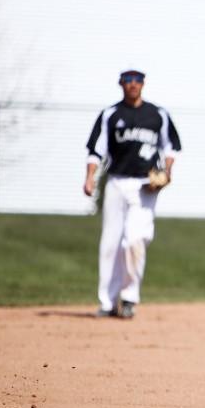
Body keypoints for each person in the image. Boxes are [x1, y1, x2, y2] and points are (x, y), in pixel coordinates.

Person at [83, 68, 182, 319]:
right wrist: (89, 178)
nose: (133, 84)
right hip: (116, 182)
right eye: (128, 81)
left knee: (135, 241)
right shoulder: (110, 114)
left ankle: (129, 298)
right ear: (121, 84)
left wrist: (167, 172)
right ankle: (107, 302)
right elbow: (96, 150)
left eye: (137, 80)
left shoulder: (157, 115)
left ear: (143, 84)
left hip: (144, 186)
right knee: (111, 243)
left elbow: (172, 147)